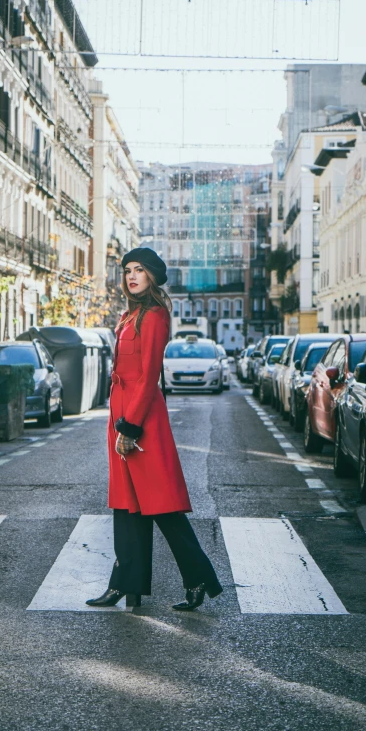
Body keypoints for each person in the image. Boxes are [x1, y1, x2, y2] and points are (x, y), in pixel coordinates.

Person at [86, 247, 222, 611]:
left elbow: (148, 377)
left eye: (139, 270)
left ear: (152, 276)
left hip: (141, 421)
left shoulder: (155, 316)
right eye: (127, 270)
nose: (131, 276)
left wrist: (130, 427)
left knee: (162, 508)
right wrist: (120, 422)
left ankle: (199, 580)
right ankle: (124, 586)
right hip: (122, 416)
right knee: (126, 506)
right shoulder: (130, 315)